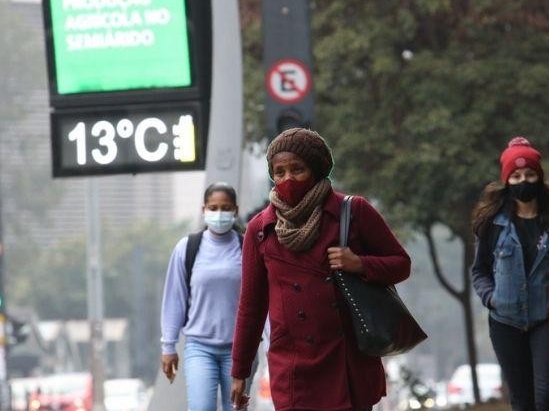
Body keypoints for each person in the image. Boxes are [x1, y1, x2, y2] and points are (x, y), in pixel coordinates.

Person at [230, 128, 411, 411]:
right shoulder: (260, 230)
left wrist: (360, 263)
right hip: (292, 366)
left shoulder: (353, 212)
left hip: (347, 359)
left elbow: (401, 264)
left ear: (316, 169)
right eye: (279, 172)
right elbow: (251, 306)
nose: (287, 179)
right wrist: (240, 370)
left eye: (297, 169)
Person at [471, 137, 549, 410]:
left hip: (545, 319)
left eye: (530, 174)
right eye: (517, 175)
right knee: (522, 400)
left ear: (539, 177)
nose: (524, 181)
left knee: (546, 396)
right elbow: (480, 271)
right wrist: (491, 298)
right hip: (505, 321)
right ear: (507, 180)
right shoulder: (492, 223)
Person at [160, 182, 244, 411]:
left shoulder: (247, 249)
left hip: (239, 350)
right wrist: (169, 347)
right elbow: (174, 300)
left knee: (236, 408)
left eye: (225, 208)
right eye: (213, 207)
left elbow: (260, 302)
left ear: (235, 210)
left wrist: (269, 345)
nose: (219, 214)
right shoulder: (186, 249)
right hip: (199, 347)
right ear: (203, 209)